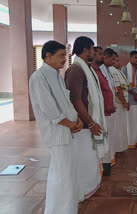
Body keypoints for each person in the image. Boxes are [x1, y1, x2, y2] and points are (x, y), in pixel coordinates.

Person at [29, 40, 83, 214]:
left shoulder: (57, 75)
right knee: (61, 176)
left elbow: (66, 104)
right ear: (47, 55)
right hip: (57, 134)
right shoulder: (39, 78)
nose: (64, 60)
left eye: (64, 56)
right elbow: (51, 111)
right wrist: (71, 123)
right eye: (61, 56)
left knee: (68, 173)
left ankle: (68, 208)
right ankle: (57, 210)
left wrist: (77, 120)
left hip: (68, 131)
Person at [65, 36, 109, 201]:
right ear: (85, 50)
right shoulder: (76, 70)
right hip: (82, 127)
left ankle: (90, 186)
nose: (94, 52)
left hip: (88, 124)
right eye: (92, 49)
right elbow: (75, 99)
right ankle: (82, 191)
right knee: (84, 160)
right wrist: (90, 123)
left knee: (90, 158)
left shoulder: (87, 68)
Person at [91, 46, 117, 166]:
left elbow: (108, 89)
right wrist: (106, 106)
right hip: (102, 111)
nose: (102, 56)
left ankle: (108, 160)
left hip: (108, 109)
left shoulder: (102, 70)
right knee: (104, 137)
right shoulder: (93, 70)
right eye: (100, 54)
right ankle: (104, 163)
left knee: (109, 136)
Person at [99, 48, 118, 165]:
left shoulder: (108, 70)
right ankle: (105, 160)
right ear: (105, 57)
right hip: (104, 109)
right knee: (106, 135)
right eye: (113, 59)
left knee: (110, 134)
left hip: (110, 107)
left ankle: (110, 158)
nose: (114, 61)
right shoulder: (100, 70)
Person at [109, 52, 130, 153]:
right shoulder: (112, 71)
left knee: (121, 126)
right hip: (118, 103)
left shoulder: (118, 71)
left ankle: (120, 147)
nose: (119, 63)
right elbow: (117, 89)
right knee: (117, 126)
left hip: (121, 103)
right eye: (116, 60)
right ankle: (116, 148)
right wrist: (124, 102)